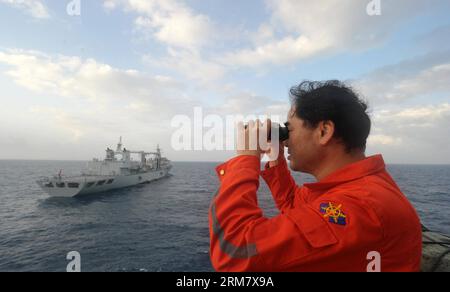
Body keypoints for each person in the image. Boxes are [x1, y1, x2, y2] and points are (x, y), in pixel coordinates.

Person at [209, 80, 422, 272]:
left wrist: (246, 159)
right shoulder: (354, 189)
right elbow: (294, 205)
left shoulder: (360, 206)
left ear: (324, 132)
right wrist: (275, 157)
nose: (286, 140)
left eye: (288, 130)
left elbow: (235, 252)